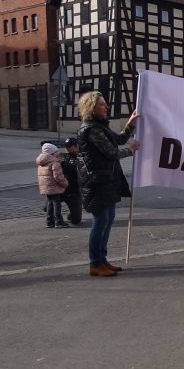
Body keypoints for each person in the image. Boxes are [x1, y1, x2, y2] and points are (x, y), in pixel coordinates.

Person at [76, 91, 139, 277]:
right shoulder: (91, 129)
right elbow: (111, 152)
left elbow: (118, 139)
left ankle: (102, 260)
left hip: (105, 181)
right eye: (102, 105)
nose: (106, 107)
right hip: (96, 183)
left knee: (108, 220)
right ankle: (95, 263)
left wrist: (130, 123)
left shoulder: (99, 126)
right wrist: (131, 150)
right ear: (92, 108)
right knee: (100, 222)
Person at [37, 143, 69, 229]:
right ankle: (58, 221)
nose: (58, 153)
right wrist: (65, 183)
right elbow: (58, 176)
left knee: (50, 204)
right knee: (56, 204)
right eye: (56, 152)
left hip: (46, 187)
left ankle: (49, 221)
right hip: (54, 187)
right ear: (52, 154)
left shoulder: (41, 163)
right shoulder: (54, 163)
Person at [59, 137, 83, 225]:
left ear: (77, 146)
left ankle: (72, 214)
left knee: (76, 220)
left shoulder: (81, 157)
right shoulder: (62, 156)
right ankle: (56, 217)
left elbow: (77, 170)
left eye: (70, 146)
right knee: (47, 207)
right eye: (66, 146)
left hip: (74, 191)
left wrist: (63, 165)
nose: (67, 148)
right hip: (60, 190)